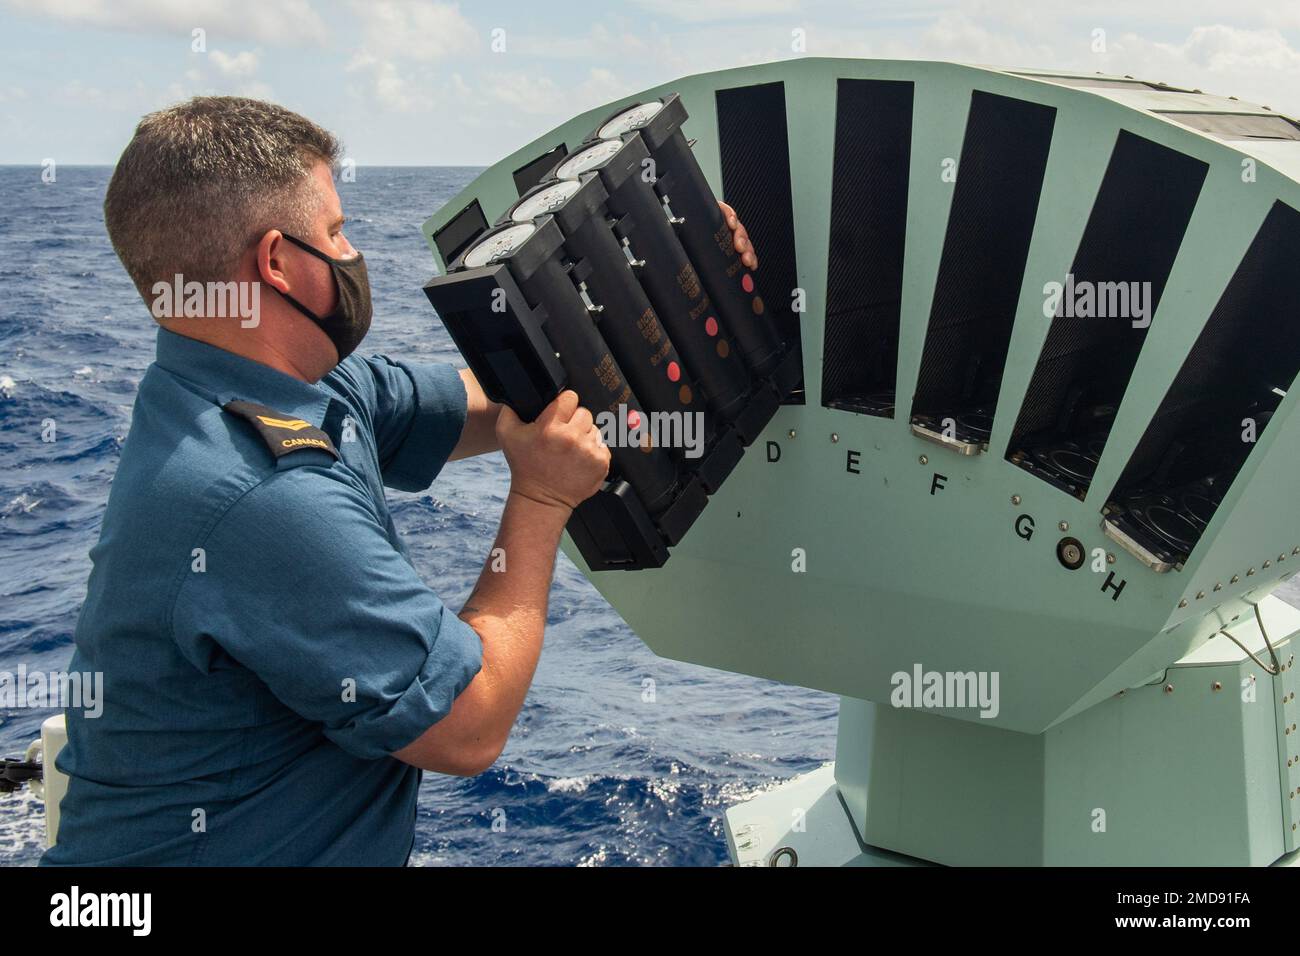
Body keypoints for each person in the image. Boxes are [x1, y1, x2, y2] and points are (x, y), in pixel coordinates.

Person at [40, 96, 758, 865]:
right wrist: (541, 500)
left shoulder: (279, 390)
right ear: (277, 263)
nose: (352, 253)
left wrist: (668, 268)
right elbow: (470, 726)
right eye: (337, 232)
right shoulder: (259, 494)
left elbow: (497, 399)